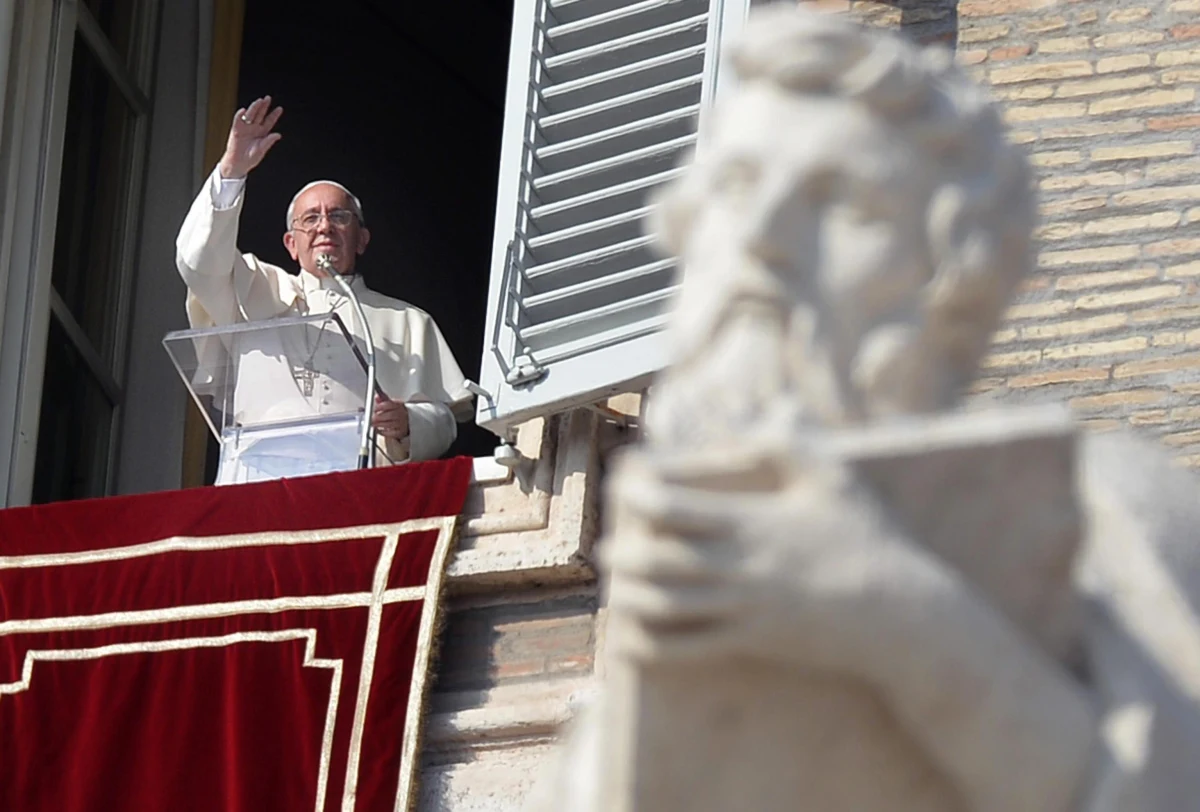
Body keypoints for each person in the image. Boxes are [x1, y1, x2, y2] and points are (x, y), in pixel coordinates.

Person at [176, 96, 471, 466]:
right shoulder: (252, 289)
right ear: (291, 244)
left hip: (360, 480)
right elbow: (198, 261)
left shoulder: (408, 321)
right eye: (310, 218)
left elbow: (444, 417)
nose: (324, 226)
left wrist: (409, 422)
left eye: (339, 216)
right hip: (261, 475)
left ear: (362, 239)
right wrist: (232, 171)